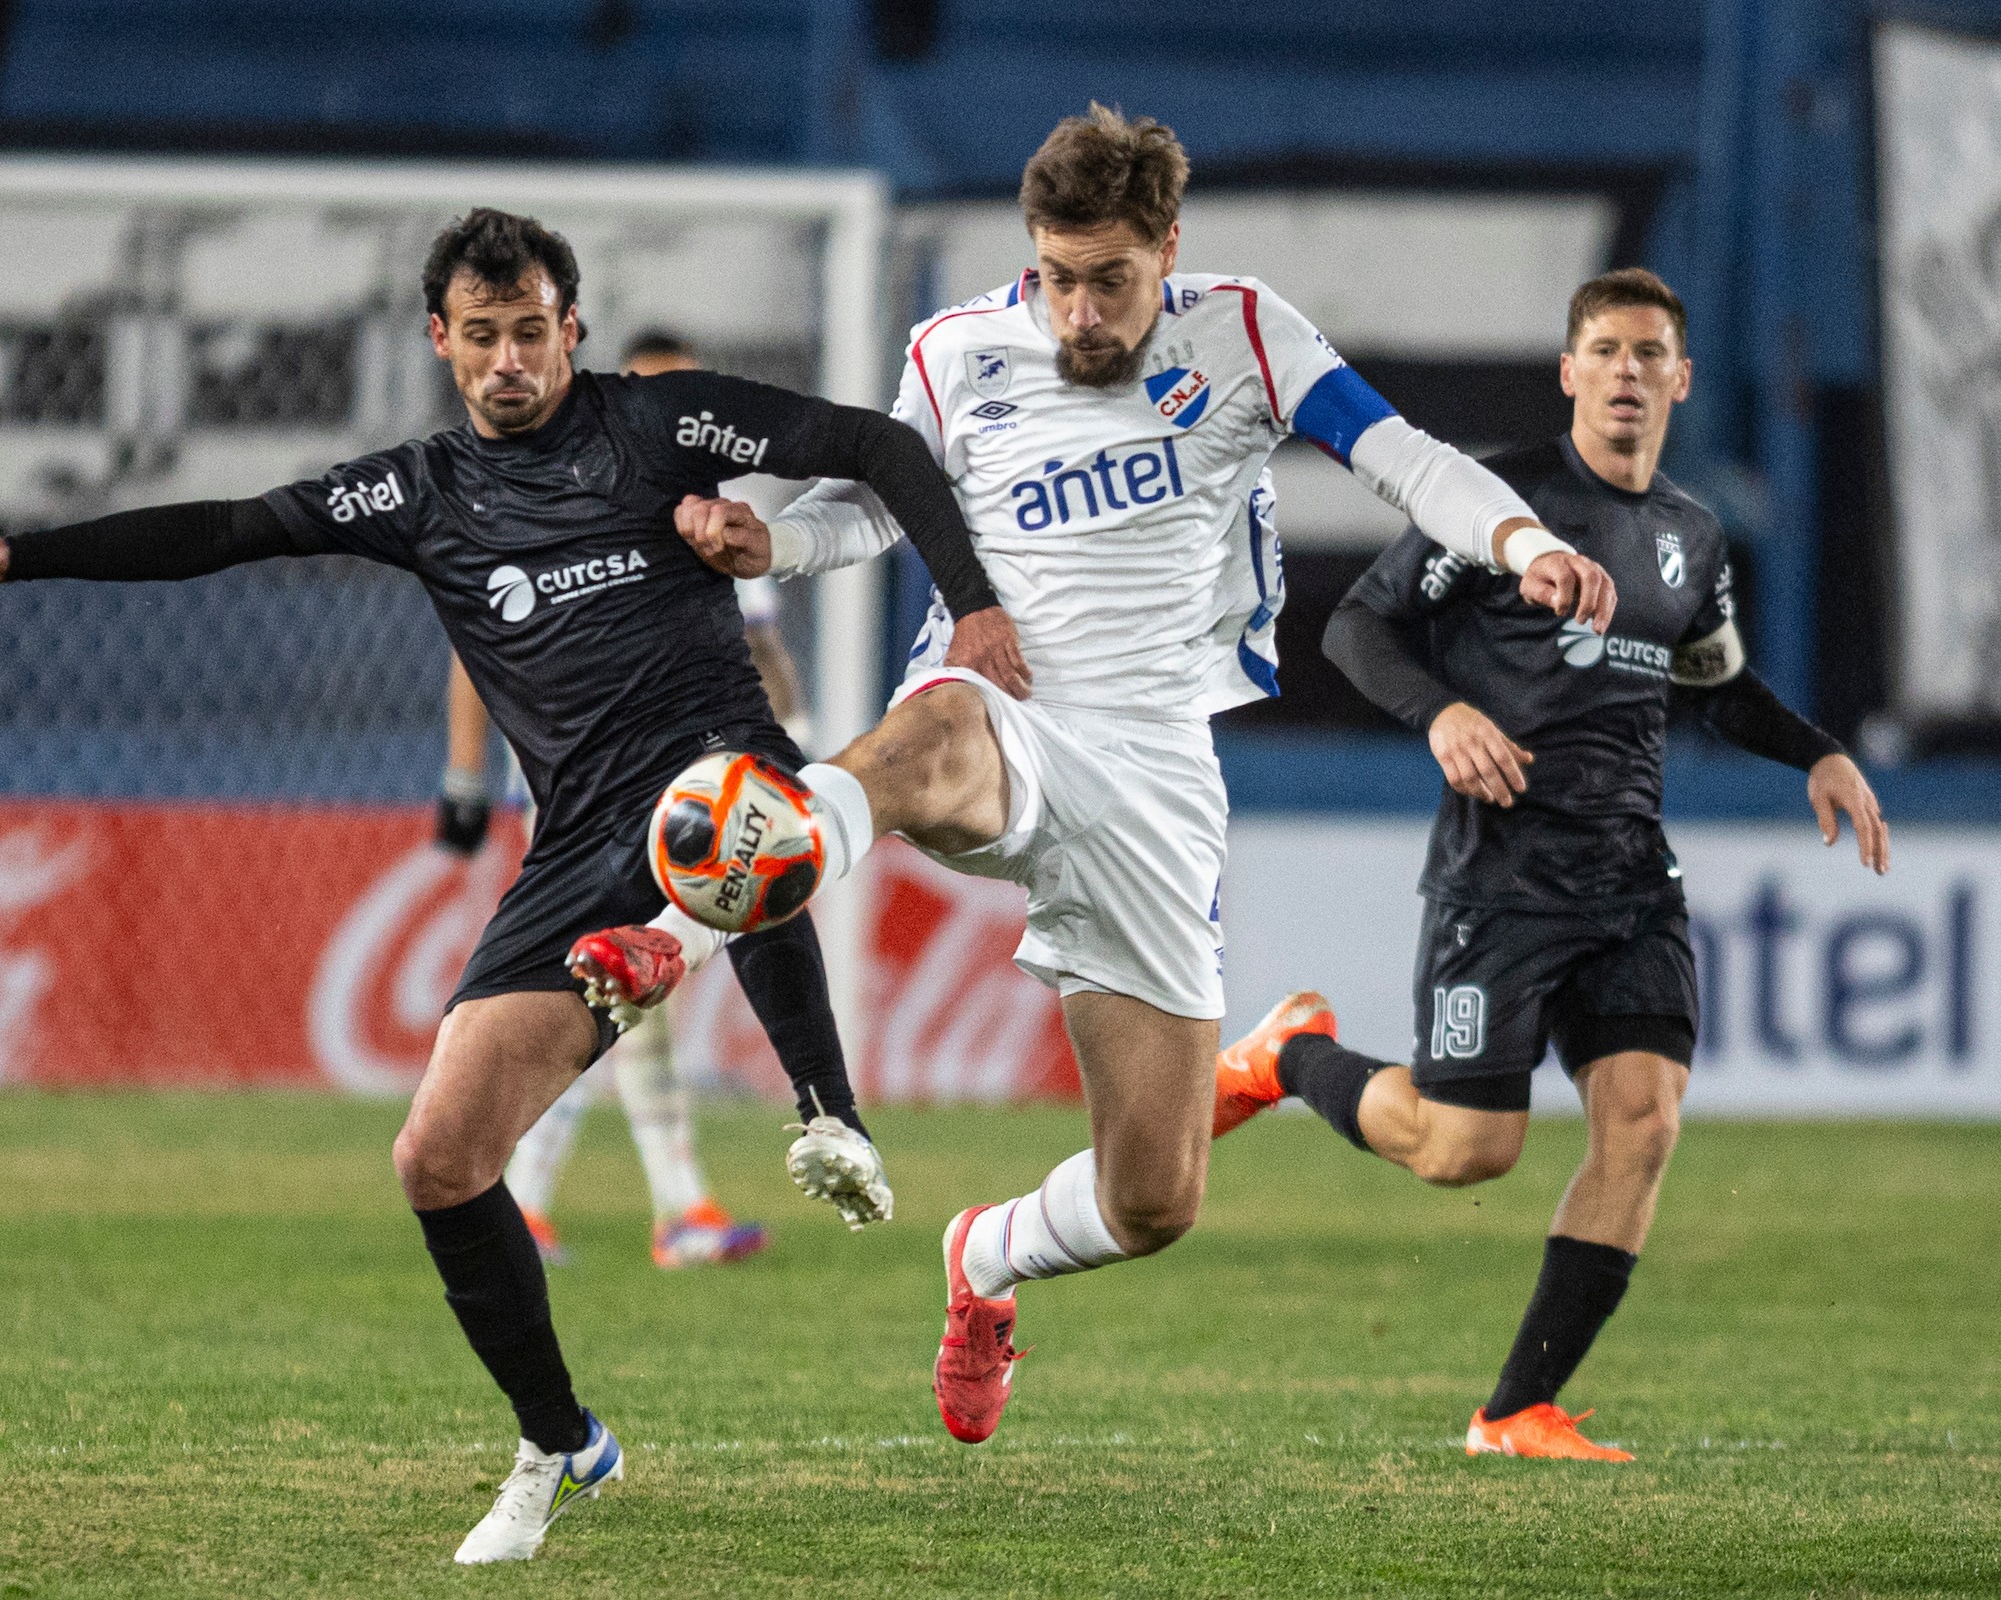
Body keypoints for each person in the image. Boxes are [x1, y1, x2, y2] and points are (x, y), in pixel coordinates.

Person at [0, 207, 1015, 1563]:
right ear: (442, 340)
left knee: (731, 814)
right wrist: (19, 556)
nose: (506, 361)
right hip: (575, 842)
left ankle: (828, 1109)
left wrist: (976, 604)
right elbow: (230, 528)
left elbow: (880, 447)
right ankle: (558, 1438)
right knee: (437, 1158)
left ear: (571, 329)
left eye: (529, 331)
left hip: (714, 769)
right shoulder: (417, 492)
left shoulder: (659, 425)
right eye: (479, 336)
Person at [582, 105, 1618, 1447]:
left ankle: (985, 1260)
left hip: (1157, 777)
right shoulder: (958, 352)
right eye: (1056, 274)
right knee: (925, 743)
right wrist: (764, 541)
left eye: (1110, 279)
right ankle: (689, 920)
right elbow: (878, 506)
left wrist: (1519, 537)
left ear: (1168, 250)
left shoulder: (1243, 330)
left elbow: (1400, 455)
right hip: (1004, 704)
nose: (1078, 310)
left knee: (1154, 1201)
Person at [1211, 267, 1890, 1460]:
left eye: (1650, 355)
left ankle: (1515, 1408)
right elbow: (1356, 627)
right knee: (1466, 1150)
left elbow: (1715, 681)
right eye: (1606, 352)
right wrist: (1438, 715)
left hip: (1631, 881)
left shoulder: (1689, 535)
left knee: (1643, 1122)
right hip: (1503, 879)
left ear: (1680, 379)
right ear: (1570, 372)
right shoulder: (1499, 502)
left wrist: (1818, 753)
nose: (1628, 372)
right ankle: (1288, 1055)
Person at [440, 330, 808, 1271]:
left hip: (687, 786)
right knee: (611, 988)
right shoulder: (561, 498)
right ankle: (625, 1206)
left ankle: (599, 1203)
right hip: (585, 790)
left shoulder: (714, 512)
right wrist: (464, 774)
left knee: (625, 988)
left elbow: (773, 670)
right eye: (658, 396)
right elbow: (480, 648)